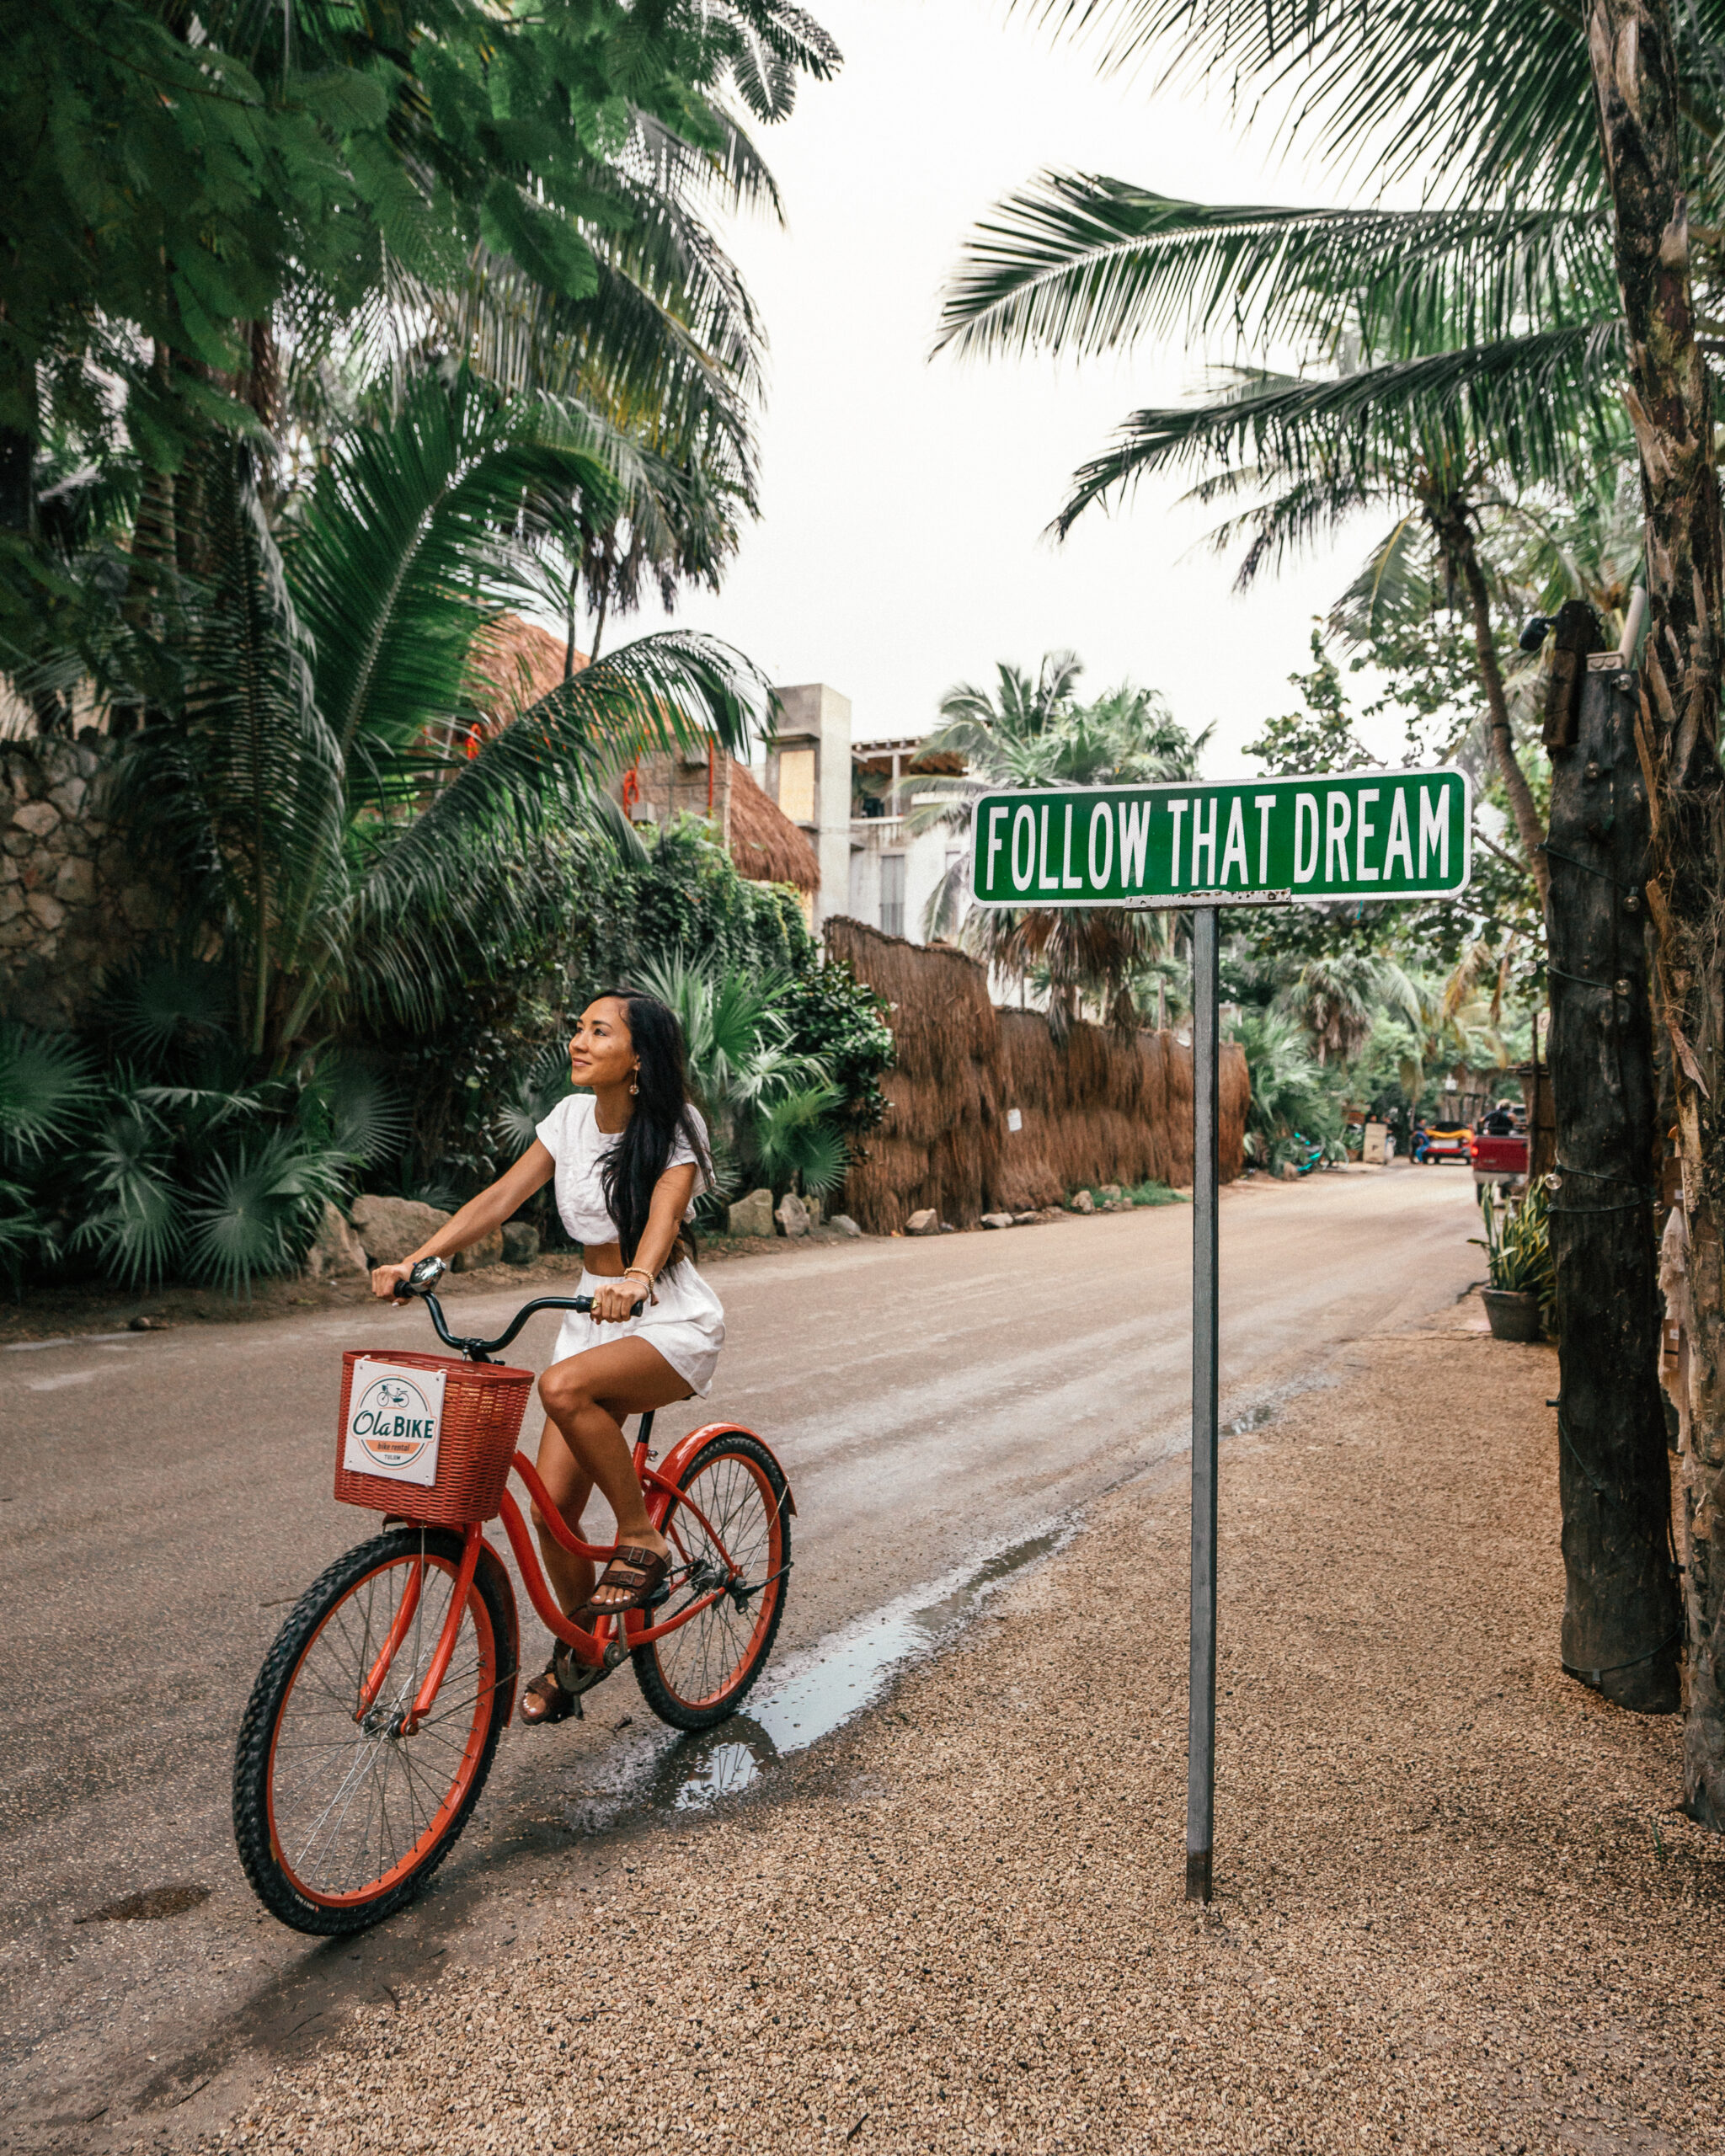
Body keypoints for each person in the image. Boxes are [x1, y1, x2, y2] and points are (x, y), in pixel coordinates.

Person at [370, 989, 724, 1725]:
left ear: (639, 1058)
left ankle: (641, 1537)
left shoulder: (672, 1125)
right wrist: (417, 1260)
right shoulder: (568, 1120)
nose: (579, 1040)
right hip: (589, 1309)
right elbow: (498, 1200)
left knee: (561, 1388)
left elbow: (662, 1217)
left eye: (600, 1031)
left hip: (665, 1314)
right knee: (548, 1510)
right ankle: (587, 1650)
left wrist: (635, 1277)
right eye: (578, 1028)